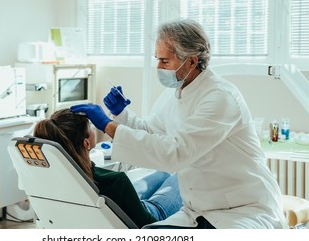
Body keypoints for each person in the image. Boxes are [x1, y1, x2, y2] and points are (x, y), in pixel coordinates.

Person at [70, 18, 288, 229]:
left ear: (192, 60)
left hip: (242, 210)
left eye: (164, 61)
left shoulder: (220, 97)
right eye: (157, 59)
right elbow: (151, 131)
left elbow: (173, 153)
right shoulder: (177, 93)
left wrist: (108, 125)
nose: (159, 67)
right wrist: (121, 114)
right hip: (197, 210)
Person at [33, 108, 182, 228]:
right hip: (144, 215)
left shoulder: (53, 178)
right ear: (86, 144)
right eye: (91, 126)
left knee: (162, 174)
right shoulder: (115, 181)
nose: (94, 128)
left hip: (110, 208)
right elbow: (147, 224)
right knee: (181, 175)